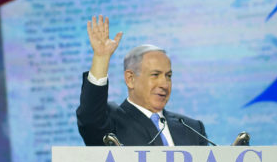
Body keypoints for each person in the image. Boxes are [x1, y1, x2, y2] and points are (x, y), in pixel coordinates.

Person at [76, 15, 210, 146]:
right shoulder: (112, 122)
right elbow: (90, 118)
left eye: (168, 76)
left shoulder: (192, 128)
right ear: (130, 79)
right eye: (155, 75)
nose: (164, 84)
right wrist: (101, 58)